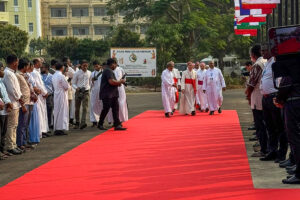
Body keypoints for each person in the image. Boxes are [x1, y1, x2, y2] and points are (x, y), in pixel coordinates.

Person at [272, 52, 300, 184]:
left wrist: (279, 99)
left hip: (293, 104)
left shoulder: (287, 65)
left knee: (294, 139)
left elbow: (284, 84)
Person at [260, 44, 288, 162]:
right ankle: (272, 150)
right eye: (262, 51)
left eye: (265, 50)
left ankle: (281, 154)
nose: (263, 53)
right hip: (265, 98)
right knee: (269, 126)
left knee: (279, 127)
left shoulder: (275, 62)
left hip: (273, 97)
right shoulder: (267, 63)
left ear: (271, 51)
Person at [245, 45, 268, 158]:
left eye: (250, 55)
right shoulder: (265, 62)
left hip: (258, 98)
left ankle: (264, 148)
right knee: (265, 124)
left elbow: (251, 84)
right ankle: (265, 147)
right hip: (263, 97)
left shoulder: (257, 65)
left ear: (253, 55)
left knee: (260, 125)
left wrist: (247, 95)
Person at [98, 58, 127, 131]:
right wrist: (119, 82)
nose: (116, 66)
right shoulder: (108, 70)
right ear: (113, 64)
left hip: (112, 93)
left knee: (115, 109)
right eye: (116, 64)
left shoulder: (109, 70)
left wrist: (118, 83)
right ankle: (100, 123)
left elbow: (113, 82)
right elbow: (111, 81)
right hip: (107, 94)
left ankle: (117, 124)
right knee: (106, 109)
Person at [2, 55, 23, 155]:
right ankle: (10, 145)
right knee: (11, 125)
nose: (18, 64)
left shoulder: (11, 73)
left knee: (14, 125)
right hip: (12, 102)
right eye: (17, 62)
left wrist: (19, 97)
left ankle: (13, 144)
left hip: (16, 102)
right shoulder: (8, 73)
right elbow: (12, 90)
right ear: (14, 62)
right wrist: (19, 97)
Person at [16, 59, 31, 151]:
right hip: (23, 103)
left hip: (27, 102)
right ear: (25, 66)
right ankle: (20, 143)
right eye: (28, 66)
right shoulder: (18, 75)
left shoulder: (22, 76)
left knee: (24, 125)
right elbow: (18, 91)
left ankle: (24, 142)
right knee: (21, 125)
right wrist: (22, 105)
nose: (28, 68)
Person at [32, 58, 49, 138]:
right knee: (40, 113)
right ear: (36, 63)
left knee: (43, 113)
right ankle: (41, 131)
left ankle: (44, 130)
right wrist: (44, 92)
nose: (42, 63)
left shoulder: (37, 71)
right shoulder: (34, 72)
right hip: (39, 95)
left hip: (41, 95)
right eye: (40, 62)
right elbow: (39, 85)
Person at [72, 60, 91, 130]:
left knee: (85, 108)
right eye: (84, 66)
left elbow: (90, 82)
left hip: (86, 91)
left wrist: (89, 88)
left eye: (86, 66)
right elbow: (73, 83)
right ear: (81, 65)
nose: (85, 67)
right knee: (77, 108)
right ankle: (77, 122)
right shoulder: (77, 73)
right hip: (78, 91)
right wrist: (76, 88)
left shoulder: (89, 73)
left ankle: (83, 122)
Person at [52, 62, 70, 135]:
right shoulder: (61, 76)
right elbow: (66, 87)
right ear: (62, 68)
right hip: (62, 94)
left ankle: (57, 127)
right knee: (62, 111)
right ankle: (60, 128)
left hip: (56, 94)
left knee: (57, 111)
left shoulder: (54, 75)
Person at [0, 63, 13, 159]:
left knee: (4, 131)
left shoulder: (1, 82)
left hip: (5, 109)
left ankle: (2, 149)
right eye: (1, 70)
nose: (3, 72)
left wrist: (8, 103)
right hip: (1, 109)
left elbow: (5, 94)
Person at [27, 62, 40, 146]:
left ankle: (34, 137)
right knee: (30, 120)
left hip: (33, 98)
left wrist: (36, 90)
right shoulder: (27, 75)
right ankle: (31, 138)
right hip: (30, 98)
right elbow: (31, 86)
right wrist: (35, 90)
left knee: (34, 118)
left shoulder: (30, 74)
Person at [90, 60, 103, 127]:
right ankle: (94, 121)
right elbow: (90, 84)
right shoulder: (92, 74)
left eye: (97, 66)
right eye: (95, 66)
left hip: (102, 92)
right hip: (94, 92)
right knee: (93, 106)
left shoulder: (103, 73)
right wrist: (92, 81)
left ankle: (101, 120)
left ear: (100, 65)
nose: (96, 67)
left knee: (101, 106)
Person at [41, 63, 54, 130]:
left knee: (49, 111)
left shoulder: (52, 76)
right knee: (42, 112)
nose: (41, 69)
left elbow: (53, 87)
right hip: (41, 96)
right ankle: (43, 127)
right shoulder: (40, 76)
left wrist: (50, 94)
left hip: (49, 96)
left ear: (46, 68)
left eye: (42, 67)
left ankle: (49, 125)